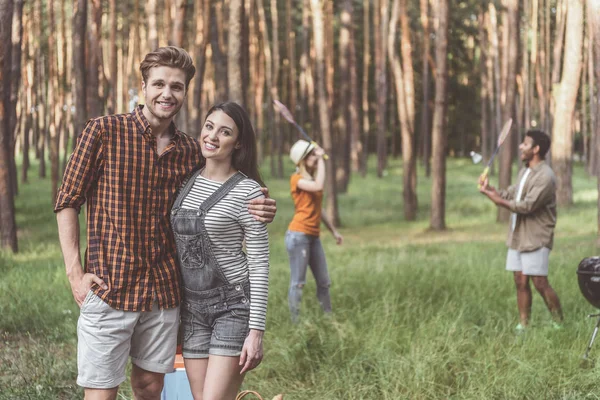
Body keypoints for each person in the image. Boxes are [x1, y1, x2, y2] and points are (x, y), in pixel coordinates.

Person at [54, 47, 276, 400]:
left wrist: (258, 202)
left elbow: (223, 185)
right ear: (143, 86)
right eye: (159, 84)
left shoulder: (191, 151)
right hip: (109, 287)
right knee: (100, 394)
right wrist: (74, 273)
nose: (167, 94)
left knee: (150, 386)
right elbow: (67, 200)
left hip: (164, 295)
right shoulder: (103, 132)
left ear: (185, 92)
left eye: (177, 86)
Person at [171, 101, 269, 399]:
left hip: (232, 308)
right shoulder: (185, 180)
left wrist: (256, 332)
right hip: (192, 310)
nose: (212, 136)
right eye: (209, 126)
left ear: (238, 142)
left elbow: (259, 263)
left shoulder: (248, 191)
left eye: (224, 132)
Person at [479, 130, 563, 331]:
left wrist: (498, 201)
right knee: (520, 280)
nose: (520, 147)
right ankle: (524, 325)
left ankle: (559, 324)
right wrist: (491, 190)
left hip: (536, 237)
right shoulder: (525, 171)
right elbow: (511, 194)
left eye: (525, 144)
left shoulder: (546, 176)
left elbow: (527, 206)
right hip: (518, 236)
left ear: (536, 149)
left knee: (539, 282)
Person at [285, 140, 343, 323]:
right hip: (298, 236)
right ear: (302, 160)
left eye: (314, 154)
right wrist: (322, 159)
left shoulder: (310, 179)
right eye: (310, 155)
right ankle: (295, 324)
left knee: (324, 282)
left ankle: (328, 320)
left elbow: (319, 209)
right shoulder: (297, 179)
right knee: (298, 283)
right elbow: (319, 186)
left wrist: (334, 231)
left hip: (313, 237)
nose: (314, 158)